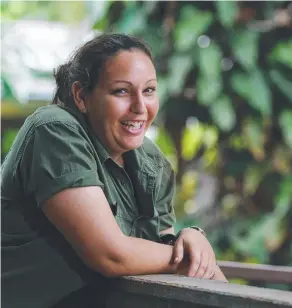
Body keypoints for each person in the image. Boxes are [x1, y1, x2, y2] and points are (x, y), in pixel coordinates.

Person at [1, 33, 228, 308]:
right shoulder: (54, 129)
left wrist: (189, 236)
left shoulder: (150, 161)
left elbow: (161, 246)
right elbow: (111, 255)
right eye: (121, 91)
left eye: (149, 90)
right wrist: (189, 253)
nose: (140, 107)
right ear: (81, 96)